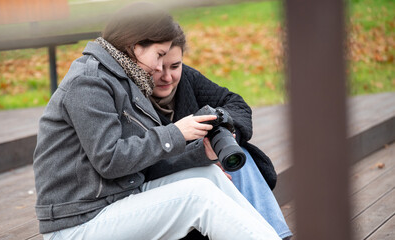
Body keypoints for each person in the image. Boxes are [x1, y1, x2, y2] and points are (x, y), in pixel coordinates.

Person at [33, 2, 281, 240]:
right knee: (199, 195)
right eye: (159, 54)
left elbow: (143, 158)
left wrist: (201, 154)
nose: (162, 67)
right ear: (134, 46)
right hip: (79, 222)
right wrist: (176, 132)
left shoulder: (127, 78)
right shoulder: (89, 82)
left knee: (210, 177)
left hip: (118, 198)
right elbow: (109, 160)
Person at [148, 26, 293, 240]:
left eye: (175, 66)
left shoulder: (187, 77)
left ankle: (277, 235)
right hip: (163, 182)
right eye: (158, 68)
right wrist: (200, 155)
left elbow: (236, 104)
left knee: (233, 151)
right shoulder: (134, 96)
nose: (167, 77)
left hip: (207, 170)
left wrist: (221, 131)